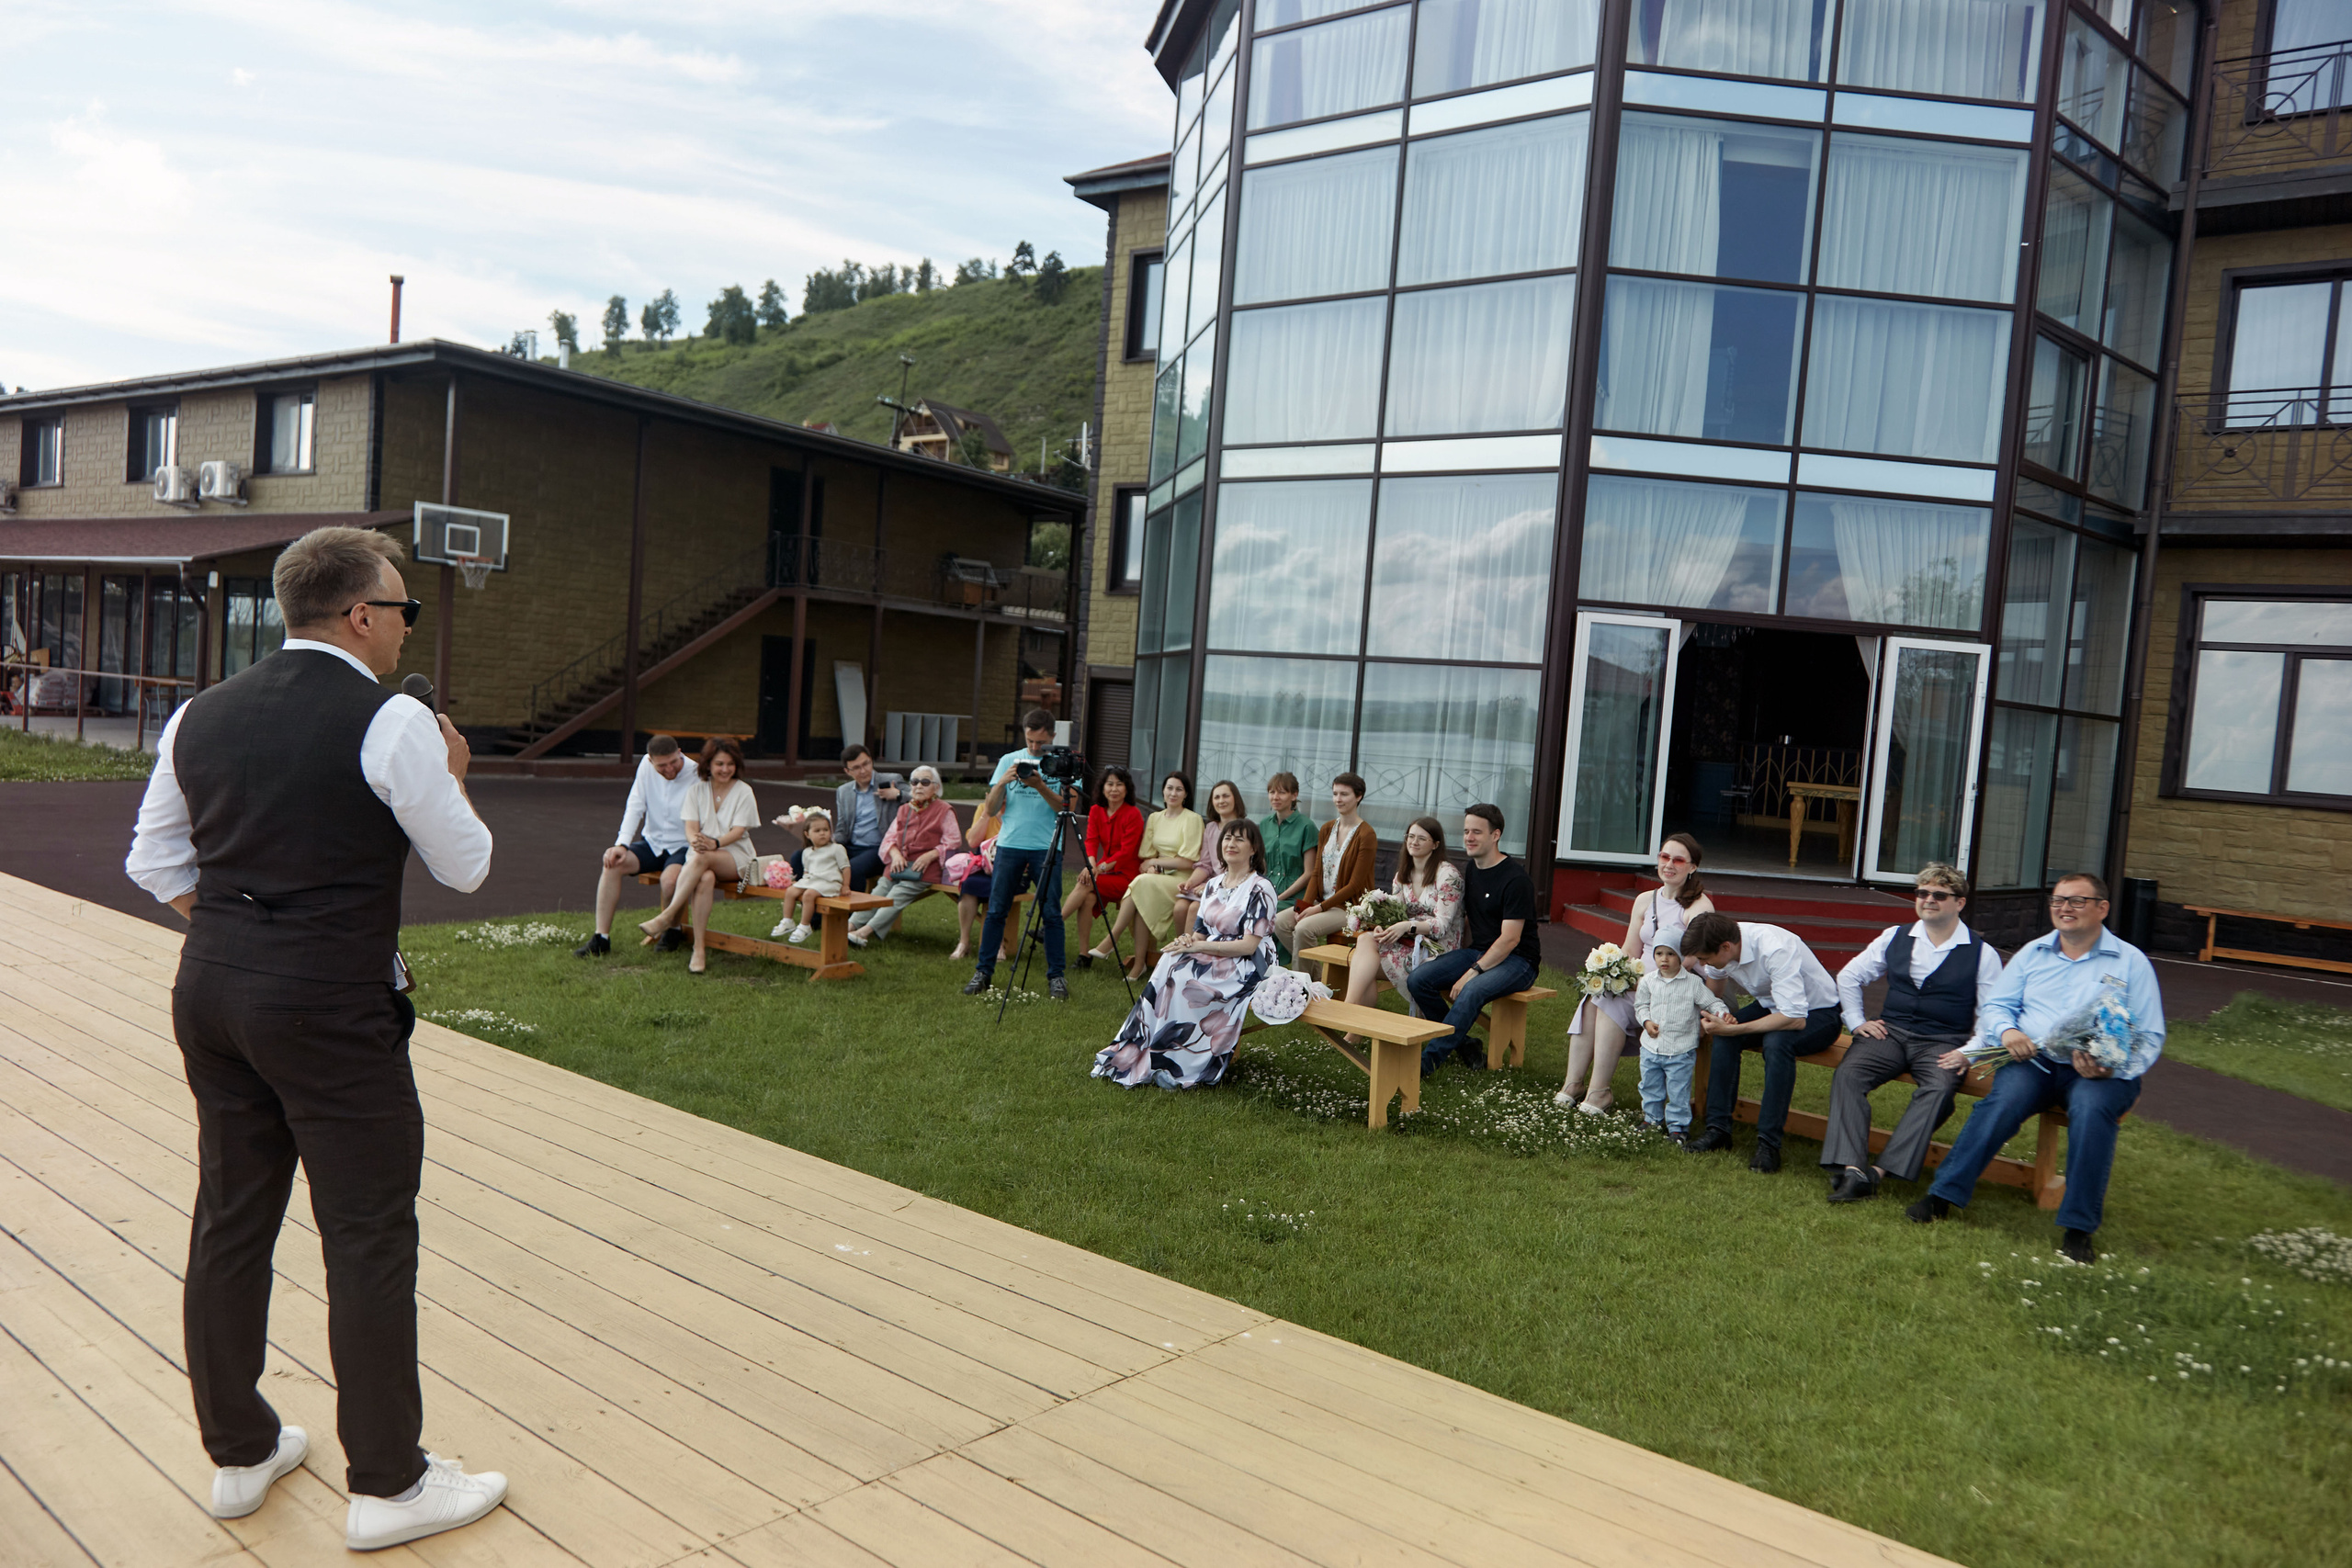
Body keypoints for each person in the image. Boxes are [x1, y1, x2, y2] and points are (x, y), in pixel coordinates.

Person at [122, 525, 507, 1550]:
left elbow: (153, 863)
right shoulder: (394, 719)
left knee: (231, 1216)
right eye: (404, 609)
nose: (407, 628)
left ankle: (239, 1452)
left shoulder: (200, 712)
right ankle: (388, 1481)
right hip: (330, 1005)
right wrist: (454, 771)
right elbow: (467, 864)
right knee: (368, 1233)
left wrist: (247, 936)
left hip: (212, 991)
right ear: (361, 615)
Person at [1909, 873, 2165, 1264]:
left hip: (2099, 1071)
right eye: (2058, 900)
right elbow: (1997, 1005)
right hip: (2034, 1061)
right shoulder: (2033, 953)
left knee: (2092, 1112)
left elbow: (2149, 1034)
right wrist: (2008, 1031)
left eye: (2077, 901)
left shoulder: (2131, 962)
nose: (2065, 908)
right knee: (2002, 1103)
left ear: (2102, 908)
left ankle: (2078, 1228)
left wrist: (2110, 1069)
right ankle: (1942, 1196)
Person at [1821, 862, 2005, 1203]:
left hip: (1943, 1041)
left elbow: (1992, 1014)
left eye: (1939, 895)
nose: (1928, 900)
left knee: (1938, 1090)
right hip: (1890, 1033)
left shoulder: (1983, 954)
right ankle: (1853, 1169)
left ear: (1960, 902)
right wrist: (1857, 1021)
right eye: (1922, 893)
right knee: (1849, 1075)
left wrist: (1968, 1052)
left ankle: (1878, 1173)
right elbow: (1849, 976)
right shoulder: (1895, 935)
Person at [1091, 818, 1277, 1091]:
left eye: (1240, 839)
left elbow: (1249, 946)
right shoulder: (1213, 884)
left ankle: (1181, 1062)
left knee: (1183, 977)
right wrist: (1187, 941)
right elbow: (1201, 933)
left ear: (1254, 849)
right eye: (1227, 838)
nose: (1231, 843)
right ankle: (1143, 1046)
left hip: (1247, 963)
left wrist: (1199, 947)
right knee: (1170, 961)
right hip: (1214, 952)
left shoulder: (1260, 888)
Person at [1558, 832, 1715, 1114]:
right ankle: (1574, 1084)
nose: (1669, 864)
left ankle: (1599, 1092)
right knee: (1596, 998)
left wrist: (1643, 984)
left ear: (1693, 867)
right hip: (1641, 982)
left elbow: (1690, 960)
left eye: (1678, 860)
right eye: (1664, 857)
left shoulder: (1699, 907)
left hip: (1678, 987)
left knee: (1611, 1002)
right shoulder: (1645, 900)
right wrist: (1613, 973)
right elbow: (1630, 949)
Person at [1679, 909, 1843, 1172]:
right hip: (1772, 1004)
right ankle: (1718, 1130)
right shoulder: (1720, 941)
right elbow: (1715, 989)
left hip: (1819, 1013)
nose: (1702, 963)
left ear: (1726, 947)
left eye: (1704, 958)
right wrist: (1710, 1017)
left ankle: (1769, 1144)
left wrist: (1736, 1029)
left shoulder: (1775, 948)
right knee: (1724, 1036)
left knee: (1776, 1044)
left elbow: (1794, 1019)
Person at [1405, 804, 1541, 1077]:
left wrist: (1472, 972)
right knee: (1419, 979)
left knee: (1472, 990)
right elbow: (1467, 920)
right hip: (1479, 950)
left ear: (1495, 835)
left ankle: (1425, 1064)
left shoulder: (1515, 880)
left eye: (1477, 832)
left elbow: (1510, 939)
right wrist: (1451, 960)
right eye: (1466, 831)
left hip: (1518, 960)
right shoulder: (1472, 869)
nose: (1469, 837)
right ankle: (1465, 1044)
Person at [961, 709, 1078, 1001]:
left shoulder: (1062, 763)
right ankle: (983, 972)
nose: (1035, 747)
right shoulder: (1008, 760)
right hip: (1010, 844)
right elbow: (990, 810)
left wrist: (1040, 786)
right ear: (1024, 735)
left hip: (1047, 846)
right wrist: (1002, 782)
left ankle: (1057, 977)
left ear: (1052, 736)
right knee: (996, 910)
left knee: (1051, 913)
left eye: (1041, 742)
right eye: (1030, 741)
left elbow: (1066, 809)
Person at [637, 738, 759, 974]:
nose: (725, 769)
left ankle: (668, 916)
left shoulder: (744, 791)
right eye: (719, 764)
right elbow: (691, 828)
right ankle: (699, 949)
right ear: (709, 764)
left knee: (701, 859)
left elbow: (739, 831)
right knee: (705, 878)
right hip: (702, 853)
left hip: (735, 856)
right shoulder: (697, 790)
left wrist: (714, 843)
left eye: (730, 764)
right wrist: (696, 841)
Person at [573, 734, 697, 958]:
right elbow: (635, 805)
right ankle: (601, 938)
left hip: (683, 845)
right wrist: (621, 844)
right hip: (653, 842)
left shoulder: (696, 772)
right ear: (650, 760)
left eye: (673, 762)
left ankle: (673, 930)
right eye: (662, 766)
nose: (670, 769)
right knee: (612, 863)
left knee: (669, 881)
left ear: (680, 752)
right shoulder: (645, 766)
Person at [1338, 815, 1462, 1032]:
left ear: (1435, 844)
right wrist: (1382, 926)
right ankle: (1352, 1020)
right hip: (1408, 939)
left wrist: (1407, 926)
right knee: (1366, 940)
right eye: (1410, 836)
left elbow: (1441, 926)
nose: (1414, 842)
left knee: (1365, 965)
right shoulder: (1402, 875)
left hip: (1439, 948)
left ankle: (1349, 1017)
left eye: (1422, 838)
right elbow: (1396, 915)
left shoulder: (1448, 875)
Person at [1099, 772, 1202, 978]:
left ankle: (1113, 937)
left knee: (1141, 884)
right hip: (1156, 877)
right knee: (1141, 898)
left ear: (1186, 795)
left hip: (1182, 880)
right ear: (1163, 792)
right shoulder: (1155, 818)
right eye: (1169, 788)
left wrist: (1155, 863)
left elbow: (1188, 861)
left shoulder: (1193, 819)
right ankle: (1139, 964)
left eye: (1179, 789)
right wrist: (1151, 867)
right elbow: (1146, 855)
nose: (1173, 793)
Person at [848, 765, 962, 947]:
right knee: (879, 891)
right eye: (915, 782)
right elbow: (889, 839)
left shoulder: (944, 810)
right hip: (899, 865)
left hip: (924, 868)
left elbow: (953, 841)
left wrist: (930, 855)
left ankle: (864, 933)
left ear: (936, 787)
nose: (919, 786)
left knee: (897, 894)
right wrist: (895, 855)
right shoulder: (904, 809)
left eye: (925, 782)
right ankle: (849, 926)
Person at [1271, 773, 1376, 962]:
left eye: (1344, 794)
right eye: (1335, 794)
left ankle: (1304, 978)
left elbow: (1355, 885)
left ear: (1358, 796)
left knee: (1303, 928)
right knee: (1280, 922)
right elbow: (1317, 873)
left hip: (1349, 907)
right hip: (1321, 902)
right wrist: (1304, 906)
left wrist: (1318, 908)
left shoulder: (1366, 834)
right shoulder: (1327, 829)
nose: (1338, 799)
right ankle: (1316, 973)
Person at [1634, 940, 1730, 1143]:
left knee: (1678, 1090)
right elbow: (1641, 1005)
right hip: (1651, 1048)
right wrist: (1646, 1021)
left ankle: (1678, 1128)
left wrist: (1723, 1014)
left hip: (1680, 1049)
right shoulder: (1648, 981)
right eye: (1659, 953)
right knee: (1650, 1085)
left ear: (1681, 956)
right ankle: (1652, 1119)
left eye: (1670, 954)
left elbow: (1712, 1002)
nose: (1664, 959)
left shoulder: (1693, 983)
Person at [789, 744, 901, 893]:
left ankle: (852, 907)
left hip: (879, 848)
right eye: (856, 768)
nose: (863, 770)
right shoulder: (844, 791)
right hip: (850, 845)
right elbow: (842, 826)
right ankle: (808, 903)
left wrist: (898, 794)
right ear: (847, 771)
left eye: (866, 764)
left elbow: (921, 799)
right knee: (799, 856)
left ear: (871, 761)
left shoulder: (891, 780)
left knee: (852, 869)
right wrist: (828, 841)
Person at [1067, 765, 1143, 964]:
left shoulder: (1133, 814)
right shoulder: (1096, 810)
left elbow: (1126, 852)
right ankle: (1084, 955)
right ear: (1102, 788)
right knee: (1087, 898)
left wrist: (1099, 869)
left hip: (1128, 876)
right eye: (1110, 784)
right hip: (1103, 870)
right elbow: (1091, 841)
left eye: (1119, 784)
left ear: (1127, 789)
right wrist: (1092, 865)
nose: (1114, 789)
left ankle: (1053, 923)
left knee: (1086, 882)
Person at [1170, 779, 1250, 941]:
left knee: (1195, 908)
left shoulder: (1245, 828)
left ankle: (1191, 950)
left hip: (1233, 884)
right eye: (1217, 797)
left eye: (1226, 796)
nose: (1221, 801)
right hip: (1210, 883)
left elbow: (1243, 867)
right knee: (1179, 908)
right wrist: (1190, 882)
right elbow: (1205, 864)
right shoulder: (1211, 828)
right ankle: (1181, 947)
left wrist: (1210, 885)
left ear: (1235, 798)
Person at [772, 808, 848, 943]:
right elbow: (807, 871)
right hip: (813, 881)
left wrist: (845, 886)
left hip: (829, 883)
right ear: (807, 834)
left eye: (825, 830)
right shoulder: (807, 852)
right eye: (817, 831)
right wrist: (800, 883)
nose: (822, 833)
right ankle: (787, 920)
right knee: (790, 891)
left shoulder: (837, 849)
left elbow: (846, 868)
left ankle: (805, 926)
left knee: (809, 894)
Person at [949, 801, 1009, 964]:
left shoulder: (1019, 809)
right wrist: (988, 812)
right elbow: (973, 842)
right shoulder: (983, 808)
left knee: (996, 888)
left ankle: (997, 943)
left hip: (1012, 866)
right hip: (985, 865)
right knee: (969, 885)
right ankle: (964, 942)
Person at [1261, 772, 1317, 913]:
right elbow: (1263, 867)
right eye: (1272, 792)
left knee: (1265, 912)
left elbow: (1309, 873)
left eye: (1282, 792)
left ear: (1294, 795)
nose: (1275, 797)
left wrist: (1279, 897)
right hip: (1268, 890)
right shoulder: (1264, 825)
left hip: (1295, 896)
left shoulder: (1306, 826)